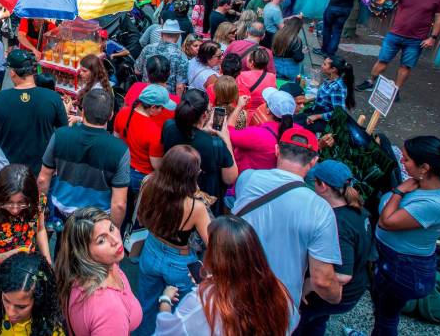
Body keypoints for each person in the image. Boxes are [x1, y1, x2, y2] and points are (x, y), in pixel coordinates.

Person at [231, 128, 342, 331]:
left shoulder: (247, 179)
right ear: (314, 161)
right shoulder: (320, 210)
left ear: (276, 150)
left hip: (232, 289)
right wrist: (337, 297)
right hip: (276, 306)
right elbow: (323, 280)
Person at [372, 136, 440, 335]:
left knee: (386, 318)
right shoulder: (424, 183)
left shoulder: (434, 205)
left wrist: (399, 190)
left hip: (403, 268)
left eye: (406, 159)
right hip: (392, 262)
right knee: (382, 311)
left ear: (424, 167)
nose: (402, 163)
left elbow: (386, 222)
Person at [153, 215, 292, 336]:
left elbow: (167, 331)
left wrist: (165, 300)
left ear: (216, 257)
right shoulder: (278, 292)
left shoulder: (202, 303)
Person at [135, 145, 211, 335]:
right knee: (178, 315)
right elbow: (212, 242)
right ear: (191, 175)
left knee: (146, 305)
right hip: (180, 263)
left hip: (151, 250)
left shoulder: (149, 184)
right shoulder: (196, 207)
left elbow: (141, 217)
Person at [295, 160, 372, 335]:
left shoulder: (336, 222)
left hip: (335, 293)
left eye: (314, 182)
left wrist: (306, 286)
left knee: (299, 323)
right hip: (356, 287)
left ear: (322, 186)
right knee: (316, 322)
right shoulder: (358, 209)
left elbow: (342, 275)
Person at [38, 89, 129, 228]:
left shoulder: (60, 135)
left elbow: (43, 179)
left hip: (62, 210)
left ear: (83, 111)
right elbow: (119, 204)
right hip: (97, 218)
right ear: (110, 115)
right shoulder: (120, 149)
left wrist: (42, 211)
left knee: (61, 247)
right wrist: (112, 231)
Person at [358, 0, 440, 95]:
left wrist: (432, 38)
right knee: (382, 60)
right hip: (395, 35)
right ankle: (370, 82)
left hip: (416, 40)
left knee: (406, 66)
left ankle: (395, 91)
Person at [55, 207, 142, 335]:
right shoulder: (110, 311)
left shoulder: (80, 271)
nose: (115, 240)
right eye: (101, 240)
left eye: (112, 228)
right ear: (83, 253)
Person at [0, 50, 68, 175]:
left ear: (13, 73)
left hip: (8, 171)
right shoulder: (53, 98)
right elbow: (63, 133)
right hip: (42, 171)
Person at [161, 89, 237, 213]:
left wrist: (202, 131)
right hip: (202, 202)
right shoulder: (215, 144)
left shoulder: (168, 126)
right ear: (204, 115)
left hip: (171, 191)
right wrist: (226, 138)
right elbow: (230, 178)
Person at [114, 85, 174, 226]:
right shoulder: (154, 132)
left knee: (123, 209)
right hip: (140, 178)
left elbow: (115, 139)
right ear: (153, 107)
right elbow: (156, 164)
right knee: (138, 216)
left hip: (121, 170)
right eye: (162, 108)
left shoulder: (123, 113)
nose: (163, 111)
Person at [0, 164, 51, 266]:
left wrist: (48, 262)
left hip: (28, 264)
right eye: (9, 202)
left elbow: (40, 229)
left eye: (21, 203)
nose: (15, 210)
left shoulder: (37, 202)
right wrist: (11, 255)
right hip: (2, 271)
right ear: (0, 198)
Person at [0, 251, 64, 336]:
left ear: (38, 301)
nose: (10, 313)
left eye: (21, 307)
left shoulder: (53, 330)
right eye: (6, 300)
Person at [123, 55, 180, 129]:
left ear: (147, 72)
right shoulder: (175, 101)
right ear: (169, 73)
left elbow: (124, 111)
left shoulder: (135, 87)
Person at [302, 56, 356, 133]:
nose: (322, 66)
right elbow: (325, 98)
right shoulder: (331, 79)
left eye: (324, 64)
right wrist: (309, 100)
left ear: (333, 69)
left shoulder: (337, 88)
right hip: (316, 111)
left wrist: (317, 116)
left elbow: (339, 113)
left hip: (324, 121)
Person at [134, 20, 189, 96]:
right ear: (178, 35)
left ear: (161, 34)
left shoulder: (148, 48)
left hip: (146, 94)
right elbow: (180, 86)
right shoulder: (181, 56)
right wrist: (177, 102)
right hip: (166, 99)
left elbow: (137, 71)